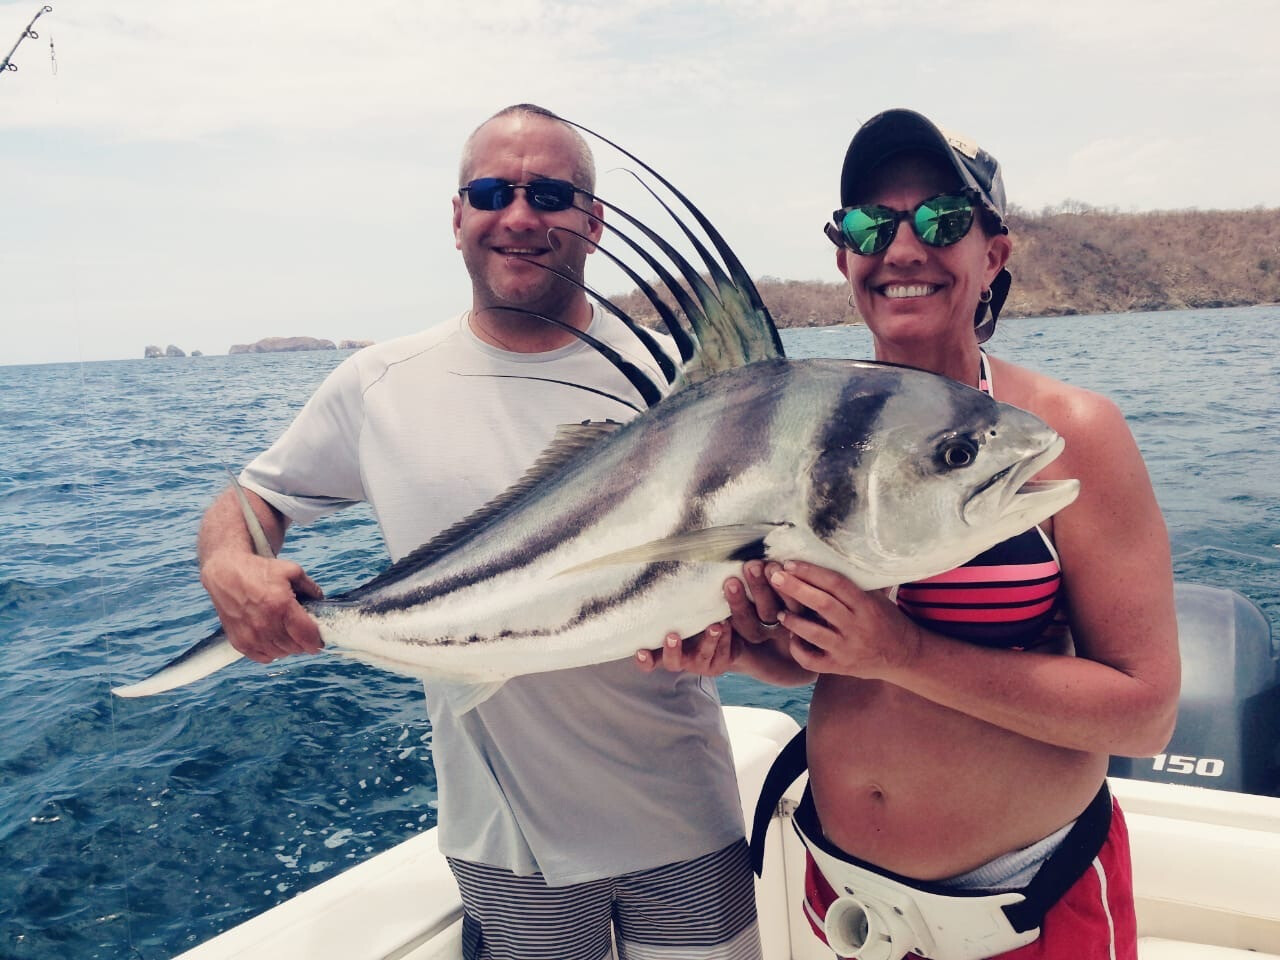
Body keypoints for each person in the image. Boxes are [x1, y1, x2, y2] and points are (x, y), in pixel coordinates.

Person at [195, 103, 780, 960]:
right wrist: (228, 564)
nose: (520, 215)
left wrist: (753, 624)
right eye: (491, 191)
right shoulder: (378, 384)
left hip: (682, 812)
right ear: (457, 215)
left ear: (593, 220)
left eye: (550, 193)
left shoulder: (687, 390)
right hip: (504, 839)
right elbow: (254, 499)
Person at [682, 109, 1181, 960]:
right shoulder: (800, 435)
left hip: (1026, 915)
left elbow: (1144, 713)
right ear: (844, 255)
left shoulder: (1066, 435)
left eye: (942, 220)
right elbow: (832, 668)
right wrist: (746, 650)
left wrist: (902, 651)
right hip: (840, 902)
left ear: (994, 252)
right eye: (872, 224)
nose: (903, 248)